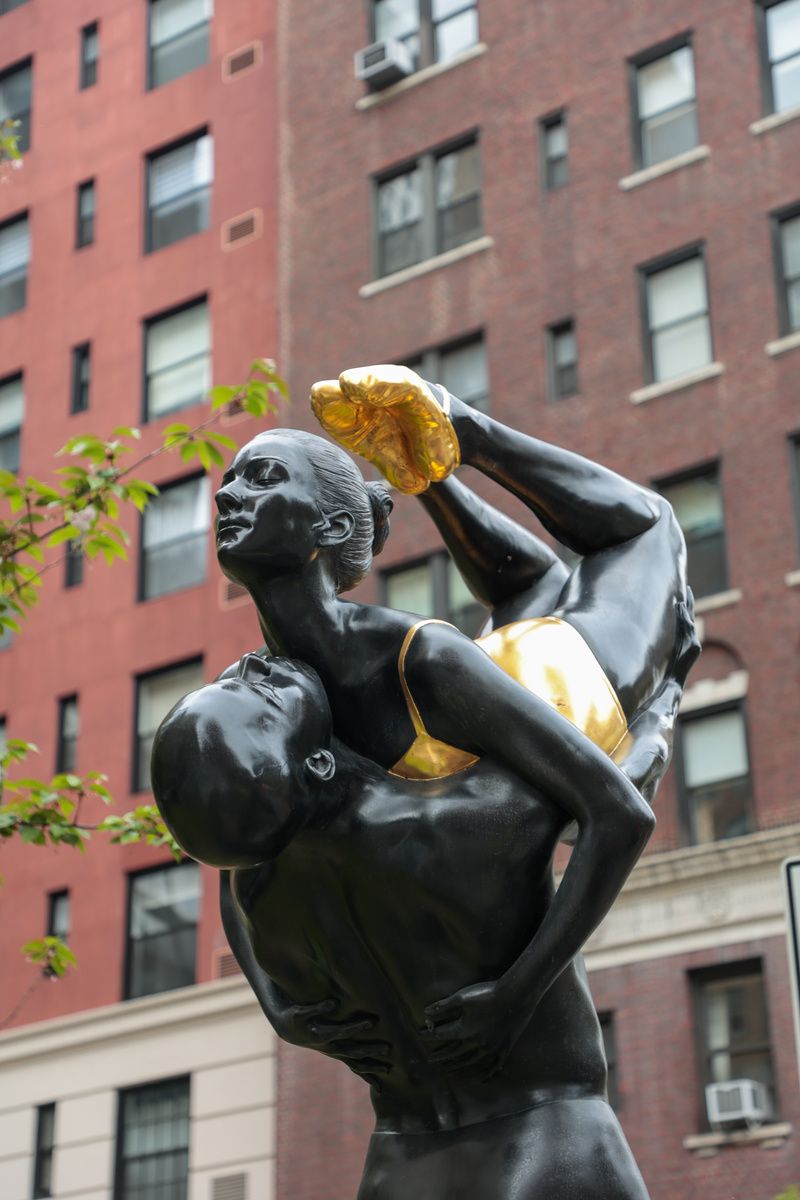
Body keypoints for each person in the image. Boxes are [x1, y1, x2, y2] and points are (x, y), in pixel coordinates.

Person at [212, 366, 697, 1055]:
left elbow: (621, 814)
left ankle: (461, 428)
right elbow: (235, 842)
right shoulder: (262, 689)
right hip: (491, 687)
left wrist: (517, 996)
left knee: (650, 528)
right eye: (231, 478)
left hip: (573, 673)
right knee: (527, 582)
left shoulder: (422, 658)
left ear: (333, 525)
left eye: (261, 478)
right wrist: (277, 1007)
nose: (226, 493)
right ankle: (421, 470)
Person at [151, 656, 652, 1199]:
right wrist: (657, 719)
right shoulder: (452, 827)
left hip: (401, 1157)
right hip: (546, 1130)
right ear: (318, 764)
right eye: (264, 696)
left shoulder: (259, 892)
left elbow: (229, 873)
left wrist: (277, 1009)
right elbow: (621, 809)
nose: (251, 661)